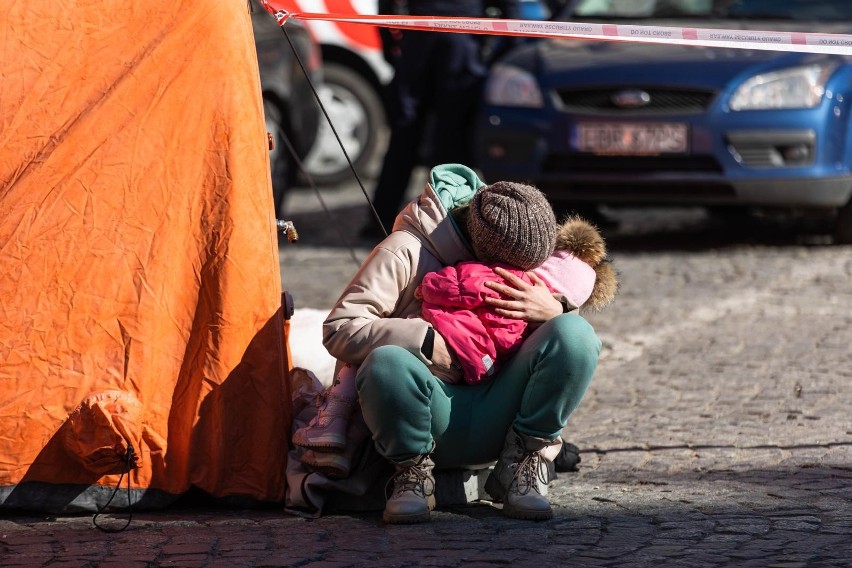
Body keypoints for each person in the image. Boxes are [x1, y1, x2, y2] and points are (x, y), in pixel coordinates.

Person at [322, 163, 603, 524]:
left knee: (575, 334)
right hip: (427, 406)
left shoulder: (524, 232)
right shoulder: (406, 250)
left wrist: (556, 309)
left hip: (501, 414)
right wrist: (420, 338)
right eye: (516, 266)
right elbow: (339, 327)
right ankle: (411, 474)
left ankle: (523, 464)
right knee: (387, 362)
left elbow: (564, 353)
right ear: (484, 251)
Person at [360, 0, 521, 238]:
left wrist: (391, 45)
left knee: (405, 138)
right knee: (451, 140)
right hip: (461, 40)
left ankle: (382, 220)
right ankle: (451, 224)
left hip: (420, 39)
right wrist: (505, 50)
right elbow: (511, 8)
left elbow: (388, 4)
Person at [416, 207, 619, 385]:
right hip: (483, 365)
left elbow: (461, 283)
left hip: (449, 338)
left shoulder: (511, 278)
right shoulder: (543, 326)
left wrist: (426, 287)